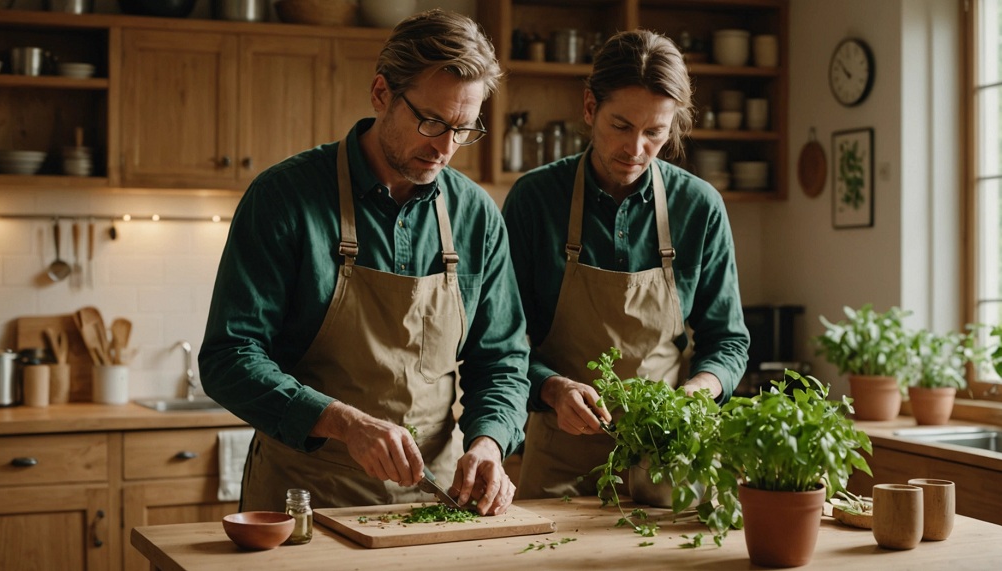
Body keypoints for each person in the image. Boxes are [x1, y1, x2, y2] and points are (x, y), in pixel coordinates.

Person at [199, 9, 529, 516]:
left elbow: (503, 359)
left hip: (431, 501)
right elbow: (229, 357)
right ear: (381, 94)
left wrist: (489, 440)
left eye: (463, 130)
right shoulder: (284, 197)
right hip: (304, 499)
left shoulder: (476, 215)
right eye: (432, 121)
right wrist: (343, 422)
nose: (445, 148)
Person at [501, 29, 750, 499]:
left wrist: (701, 388)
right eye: (621, 125)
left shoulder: (699, 207)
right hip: (560, 459)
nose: (635, 149)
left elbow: (728, 340)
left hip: (668, 456)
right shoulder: (535, 200)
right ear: (590, 107)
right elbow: (501, 343)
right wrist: (552, 390)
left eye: (654, 132)